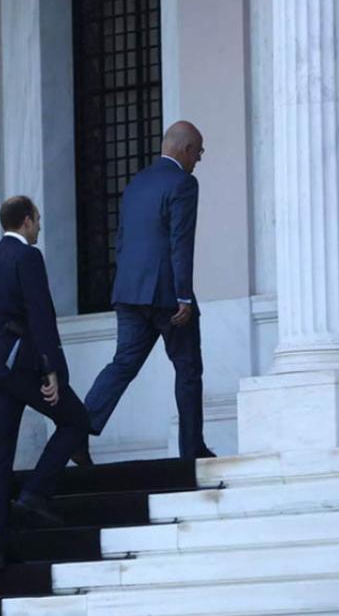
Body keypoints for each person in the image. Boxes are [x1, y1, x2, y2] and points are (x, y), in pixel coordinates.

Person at [0, 196, 91, 572]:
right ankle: (35, 493)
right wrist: (52, 368)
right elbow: (40, 315)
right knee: (76, 420)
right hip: (20, 367)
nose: (39, 226)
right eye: (37, 219)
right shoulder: (28, 257)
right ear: (25, 221)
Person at [79, 121, 216, 460]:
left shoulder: (135, 182)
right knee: (188, 369)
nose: (199, 159)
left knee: (122, 364)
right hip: (168, 296)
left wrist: (126, 285)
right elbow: (180, 242)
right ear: (186, 149)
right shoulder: (184, 183)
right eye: (199, 151)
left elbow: (122, 240)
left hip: (129, 292)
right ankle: (191, 450)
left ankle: (77, 429)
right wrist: (183, 295)